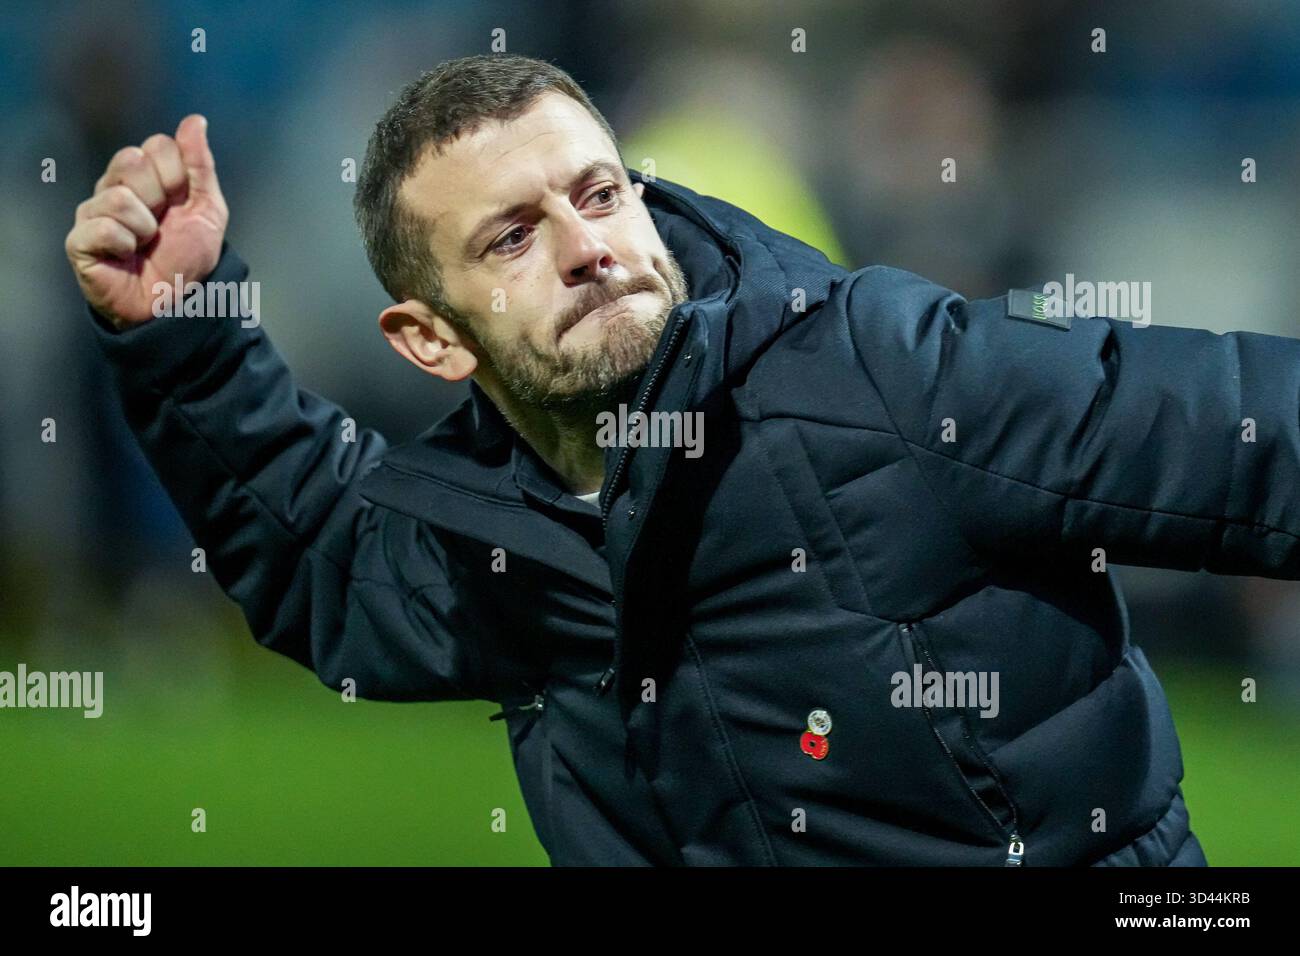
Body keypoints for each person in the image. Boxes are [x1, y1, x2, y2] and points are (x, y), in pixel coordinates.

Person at [66, 54, 1300, 866]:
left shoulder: (885, 373)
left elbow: (1242, 431)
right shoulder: (490, 530)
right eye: (512, 235)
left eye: (598, 195)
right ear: (429, 339)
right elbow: (323, 560)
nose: (585, 245)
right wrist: (182, 333)